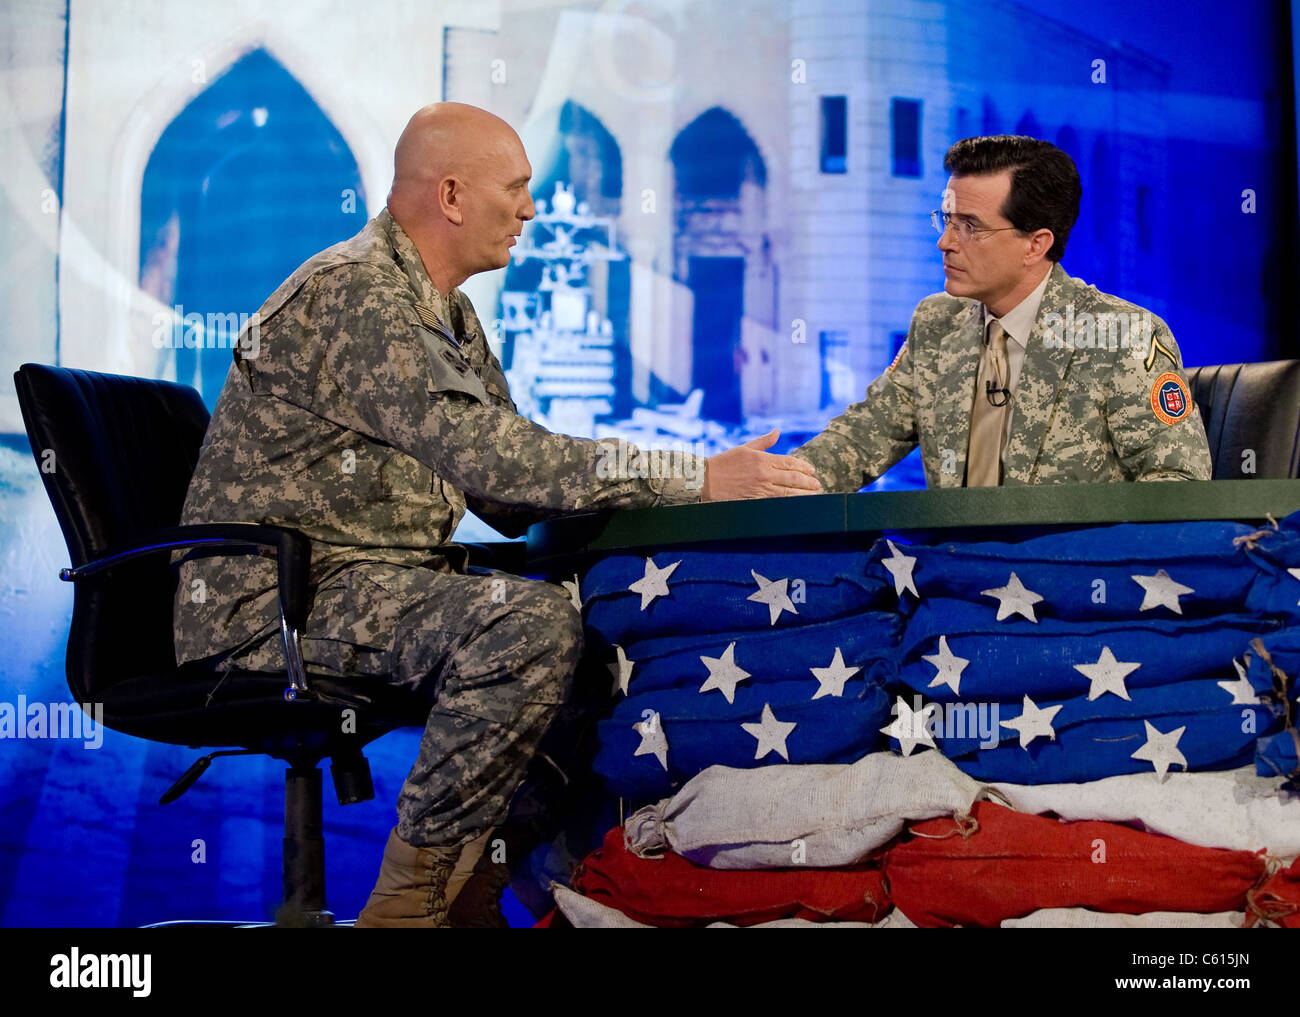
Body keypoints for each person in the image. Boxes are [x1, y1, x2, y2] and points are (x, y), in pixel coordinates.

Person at [171, 102, 821, 928]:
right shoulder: (357, 295)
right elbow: (496, 459)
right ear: (450, 195)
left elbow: (509, 494)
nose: (530, 209)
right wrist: (693, 477)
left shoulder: (447, 312)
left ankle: (471, 888)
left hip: (358, 582)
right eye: (515, 189)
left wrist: (679, 481)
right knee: (523, 629)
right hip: (272, 603)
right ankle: (407, 908)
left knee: (591, 632)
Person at [793, 135, 1212, 489]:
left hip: (1065, 576)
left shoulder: (1123, 336)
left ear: (1036, 244)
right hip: (950, 575)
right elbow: (858, 441)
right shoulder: (937, 323)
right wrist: (763, 483)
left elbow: (1178, 481)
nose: (946, 242)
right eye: (947, 220)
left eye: (970, 227)